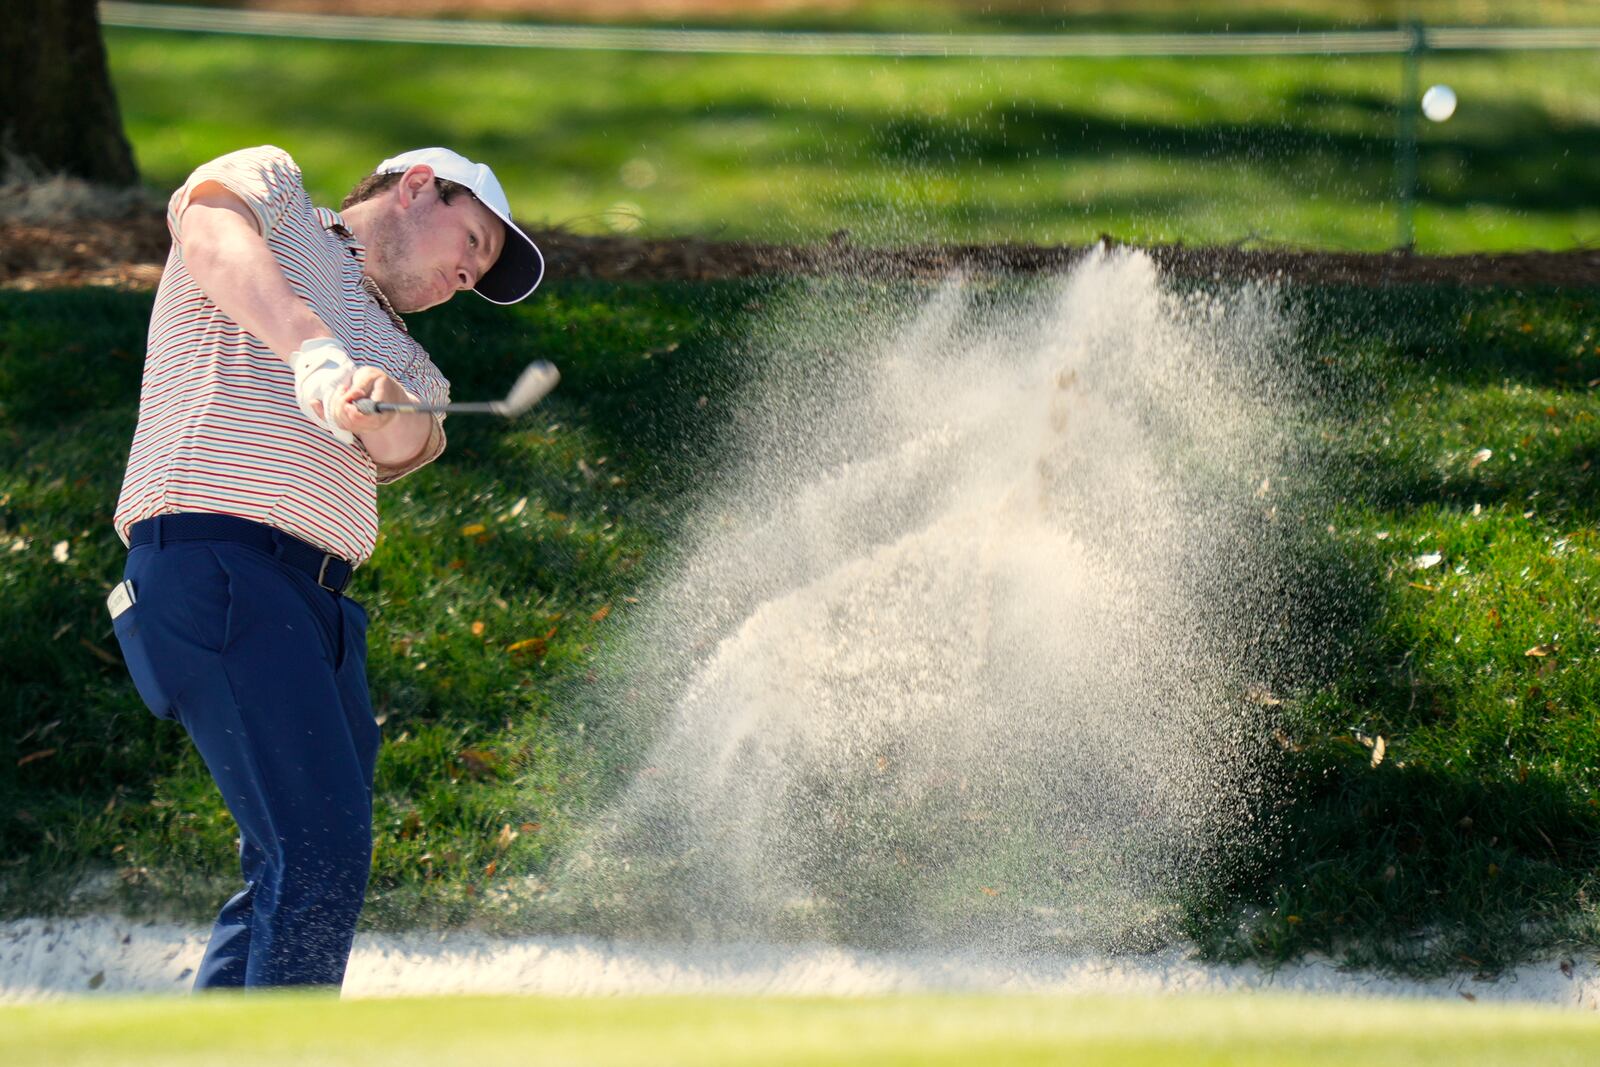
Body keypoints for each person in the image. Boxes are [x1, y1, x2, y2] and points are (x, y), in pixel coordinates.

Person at [108, 145, 544, 990]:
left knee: (296, 863)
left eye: (479, 270)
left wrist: (373, 399)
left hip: (318, 614)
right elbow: (209, 236)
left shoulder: (412, 361)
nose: (467, 274)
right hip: (217, 562)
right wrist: (311, 348)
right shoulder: (274, 191)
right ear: (419, 185)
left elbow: (408, 436)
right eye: (475, 243)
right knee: (317, 853)